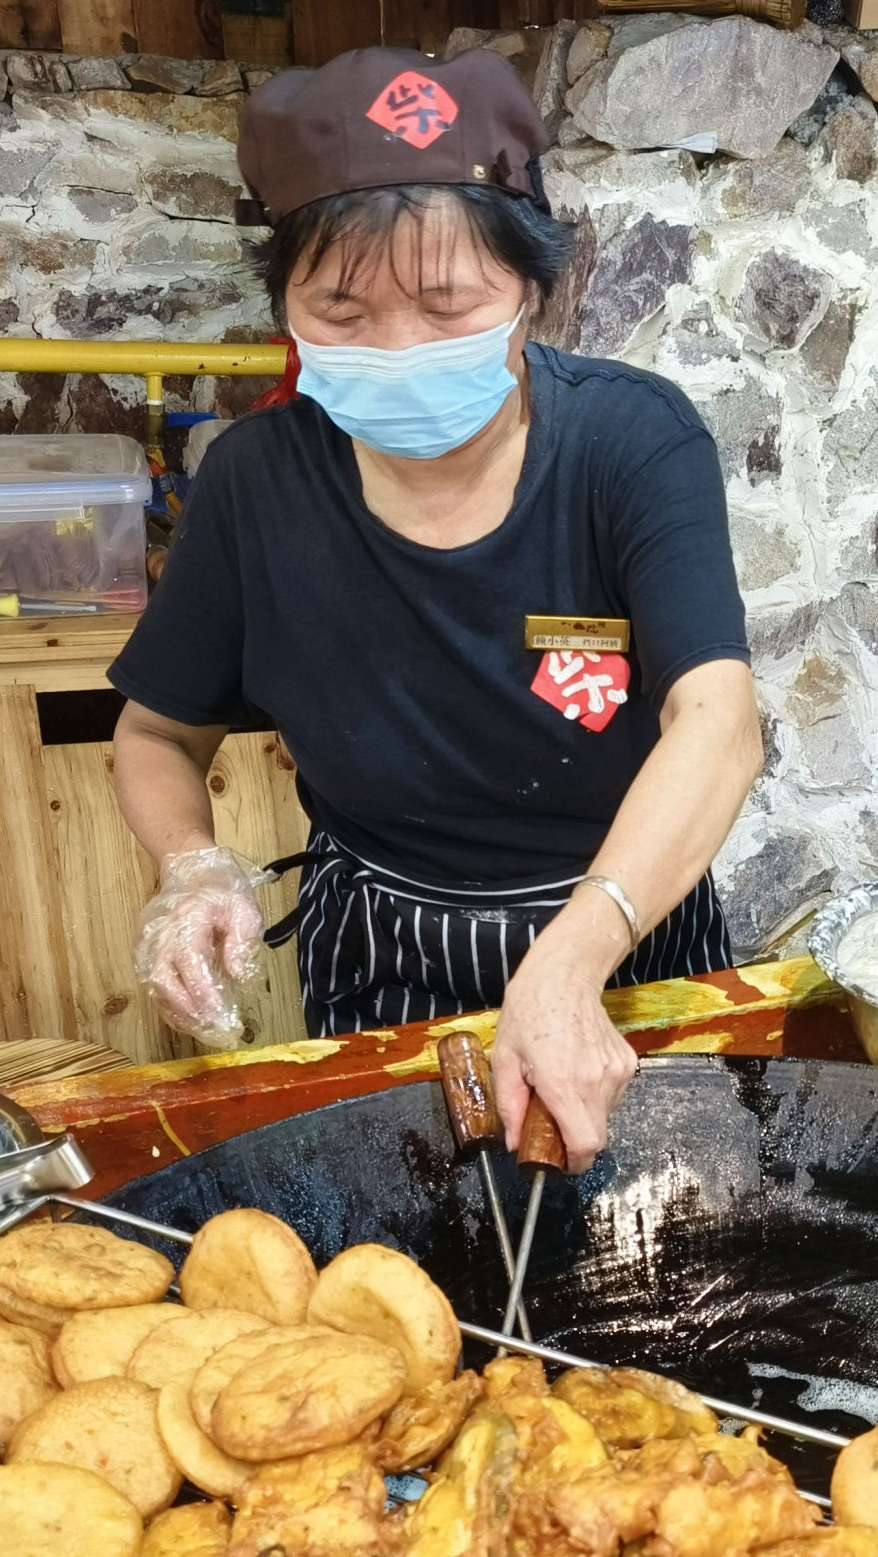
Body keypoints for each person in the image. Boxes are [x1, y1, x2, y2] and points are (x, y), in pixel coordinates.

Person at [110, 46, 759, 1169]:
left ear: (530, 295)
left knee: (668, 1248)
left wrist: (569, 959)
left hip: (628, 934)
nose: (397, 347)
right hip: (385, 951)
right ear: (289, 312)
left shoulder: (630, 443)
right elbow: (158, 730)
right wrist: (190, 867)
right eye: (343, 308)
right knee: (413, 1253)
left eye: (446, 301)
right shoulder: (257, 484)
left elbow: (719, 721)